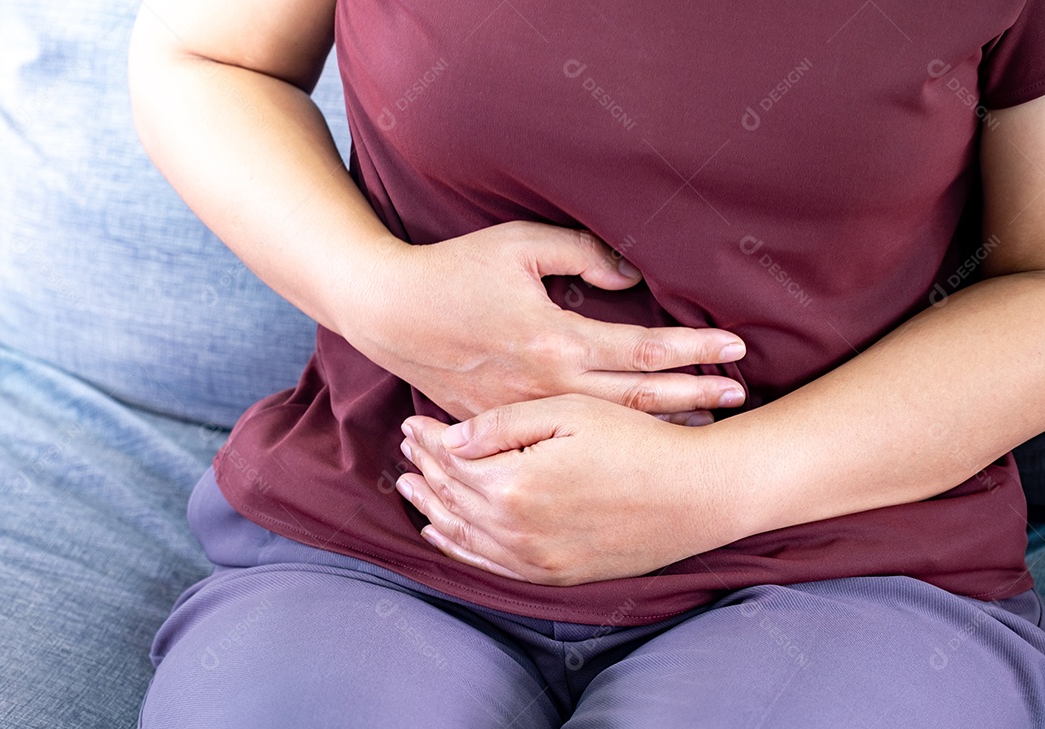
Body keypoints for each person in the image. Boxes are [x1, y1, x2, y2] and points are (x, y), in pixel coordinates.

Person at [129, 1, 1045, 726]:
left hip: (842, 568)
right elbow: (204, 58)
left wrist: (718, 485)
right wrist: (378, 292)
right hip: (386, 530)